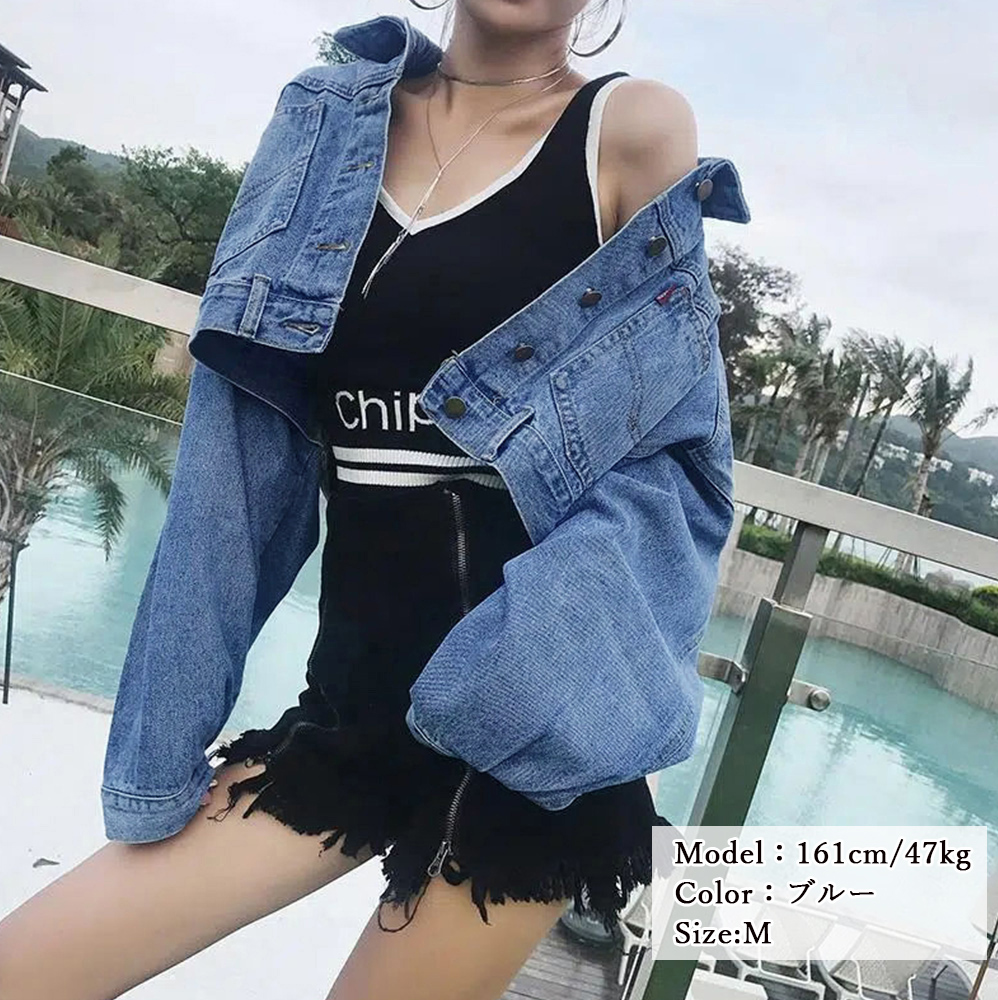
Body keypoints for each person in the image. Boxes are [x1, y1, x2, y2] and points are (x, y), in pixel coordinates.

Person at [0, 3, 750, 998]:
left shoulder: (631, 128)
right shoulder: (324, 116)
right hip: (351, 718)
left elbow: (675, 462)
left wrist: (527, 683)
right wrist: (162, 749)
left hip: (534, 732)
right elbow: (239, 458)